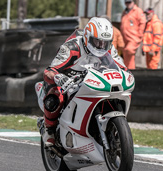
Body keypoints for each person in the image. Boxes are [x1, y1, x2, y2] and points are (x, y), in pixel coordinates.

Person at [42, 17, 128, 147]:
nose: (101, 46)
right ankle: (50, 130)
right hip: (68, 79)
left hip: (91, 80)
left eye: (105, 42)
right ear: (87, 37)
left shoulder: (108, 48)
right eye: (97, 41)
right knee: (54, 98)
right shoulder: (71, 47)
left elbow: (122, 68)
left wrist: (126, 74)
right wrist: (59, 78)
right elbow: (49, 71)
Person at [120, 0, 146, 69]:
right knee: (126, 53)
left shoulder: (138, 11)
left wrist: (139, 35)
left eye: (129, 2)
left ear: (133, 2)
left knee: (129, 50)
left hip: (133, 38)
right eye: (126, 2)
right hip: (125, 38)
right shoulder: (124, 12)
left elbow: (142, 22)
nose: (128, 4)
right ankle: (128, 70)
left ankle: (131, 70)